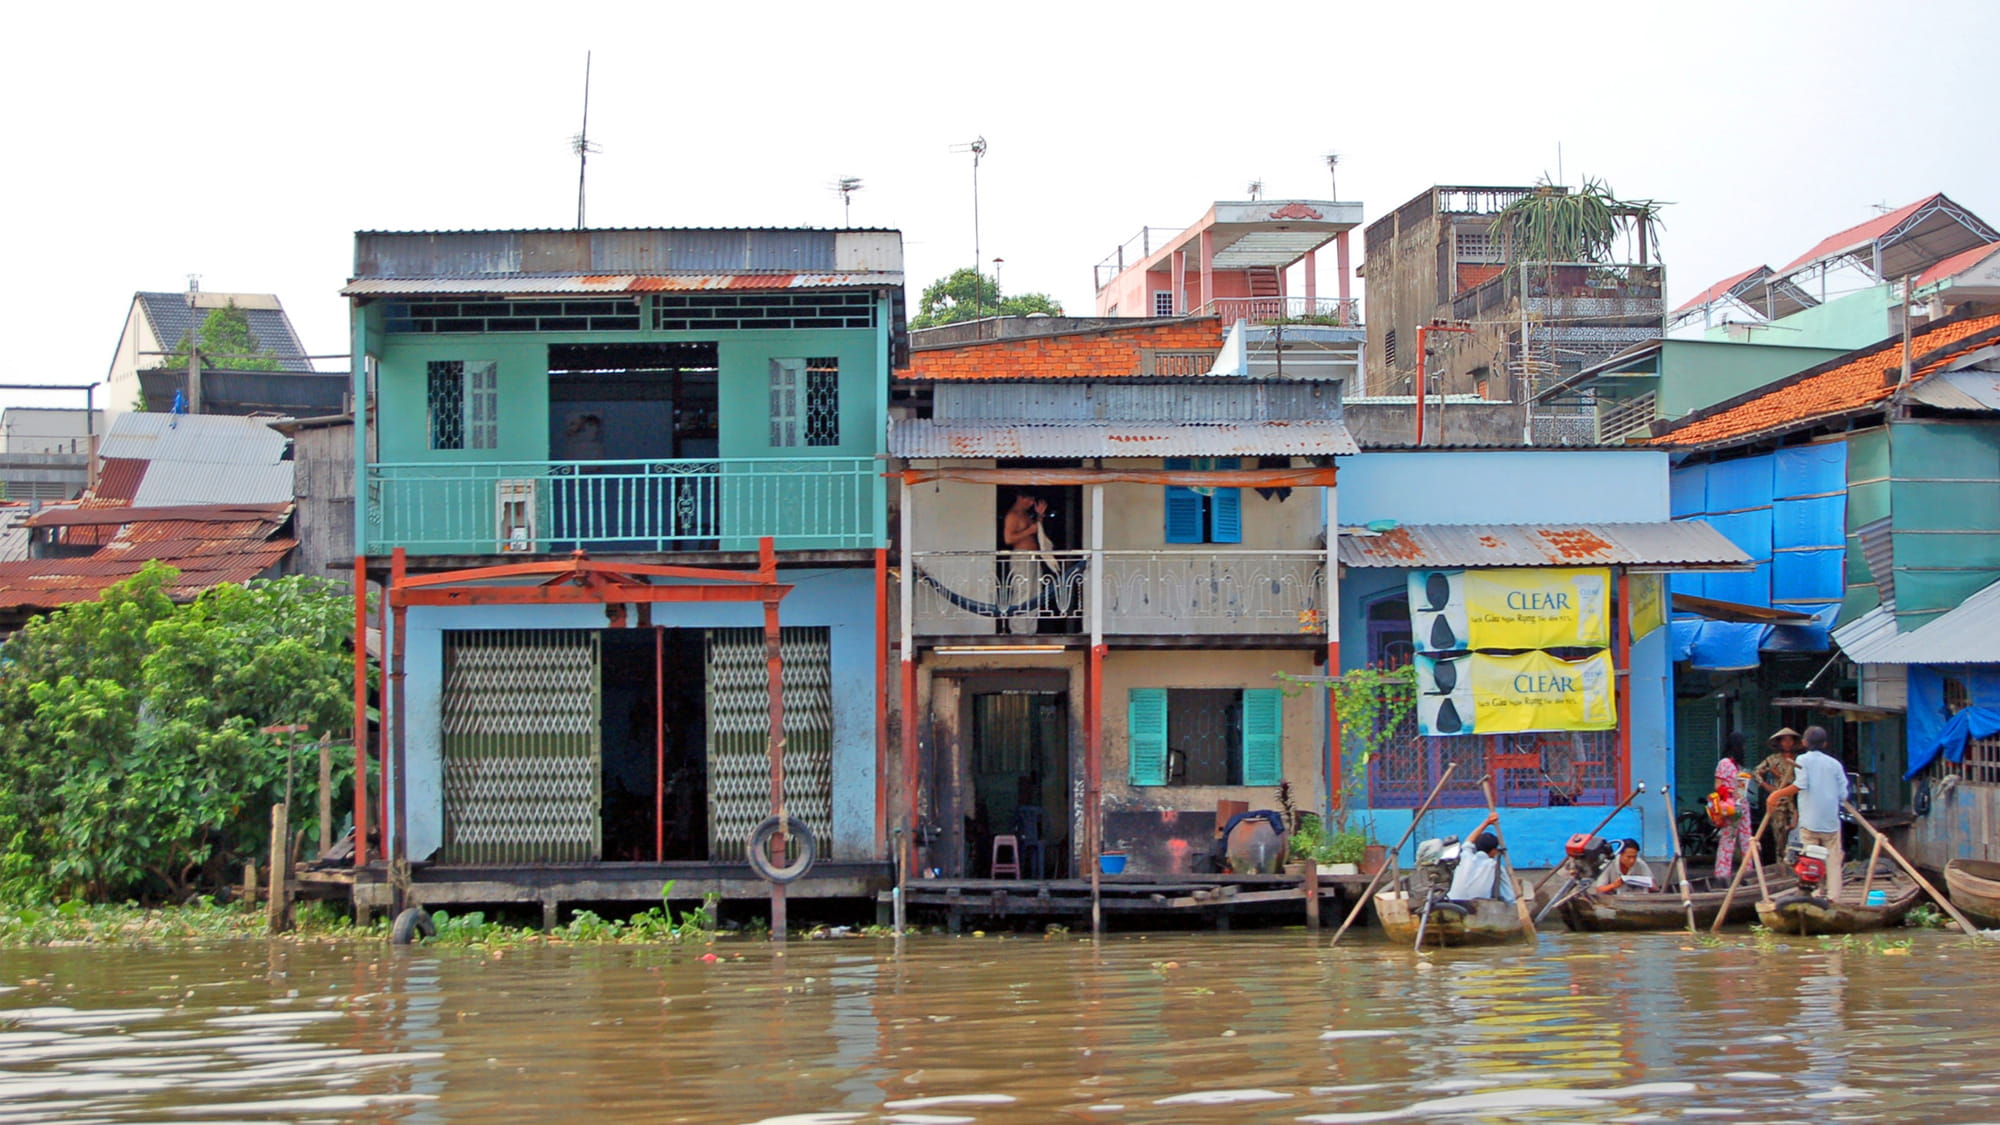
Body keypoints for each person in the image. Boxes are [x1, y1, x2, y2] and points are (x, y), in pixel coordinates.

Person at [1769, 725, 1850, 900]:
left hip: (1809, 822)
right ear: (1825, 744)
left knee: (1811, 858)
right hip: (1830, 822)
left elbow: (1801, 785)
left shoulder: (1802, 761)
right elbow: (1844, 794)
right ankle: (1834, 897)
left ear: (1804, 743)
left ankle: (1813, 893)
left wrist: (1776, 794)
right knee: (1833, 861)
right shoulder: (1835, 764)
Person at [1000, 492, 1048, 635]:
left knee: (1034, 593)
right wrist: (1029, 531)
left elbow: (1036, 530)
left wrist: (1039, 516)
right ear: (1020, 497)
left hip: (1033, 557)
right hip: (1021, 557)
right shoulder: (1012, 515)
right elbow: (1008, 539)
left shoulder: (1026, 515)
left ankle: (1031, 631)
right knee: (1022, 592)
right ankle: (1019, 631)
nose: (1031, 503)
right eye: (1029, 499)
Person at [1711, 732, 1755, 883]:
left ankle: (1748, 873)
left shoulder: (1737, 765)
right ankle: (1722, 875)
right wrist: (1731, 791)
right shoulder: (1724, 763)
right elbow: (1718, 785)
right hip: (1730, 807)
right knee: (1728, 840)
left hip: (1742, 806)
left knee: (1747, 840)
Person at [1446, 812, 1517, 903]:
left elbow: (1469, 841)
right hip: (1479, 907)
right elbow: (1509, 896)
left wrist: (1486, 823)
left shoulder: (1465, 856)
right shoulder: (1495, 866)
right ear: (1493, 851)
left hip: (1452, 902)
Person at [1754, 727, 1803, 851]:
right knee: (1779, 836)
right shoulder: (1773, 759)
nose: (1787, 743)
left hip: (1797, 801)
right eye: (1784, 740)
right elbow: (1755, 772)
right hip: (1778, 802)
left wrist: (1781, 776)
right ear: (1780, 742)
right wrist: (1767, 786)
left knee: (1798, 836)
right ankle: (1780, 863)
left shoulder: (1800, 759)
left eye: (1790, 740)